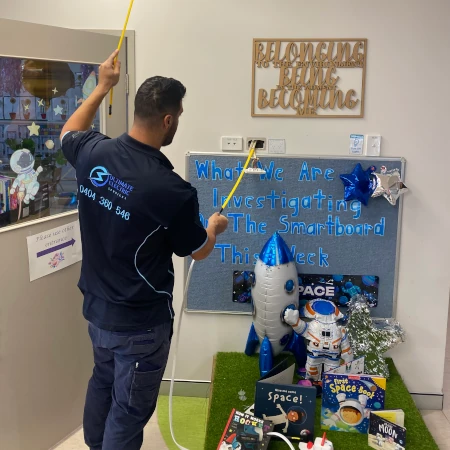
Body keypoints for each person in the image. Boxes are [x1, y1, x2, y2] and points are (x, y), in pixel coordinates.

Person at [60, 50, 228, 450]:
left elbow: (68, 131)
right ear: (168, 120)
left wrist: (102, 86)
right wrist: (214, 229)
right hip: (139, 324)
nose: (178, 123)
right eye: (179, 116)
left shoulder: (93, 152)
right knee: (129, 410)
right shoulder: (172, 191)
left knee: (103, 381)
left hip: (97, 312)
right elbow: (198, 251)